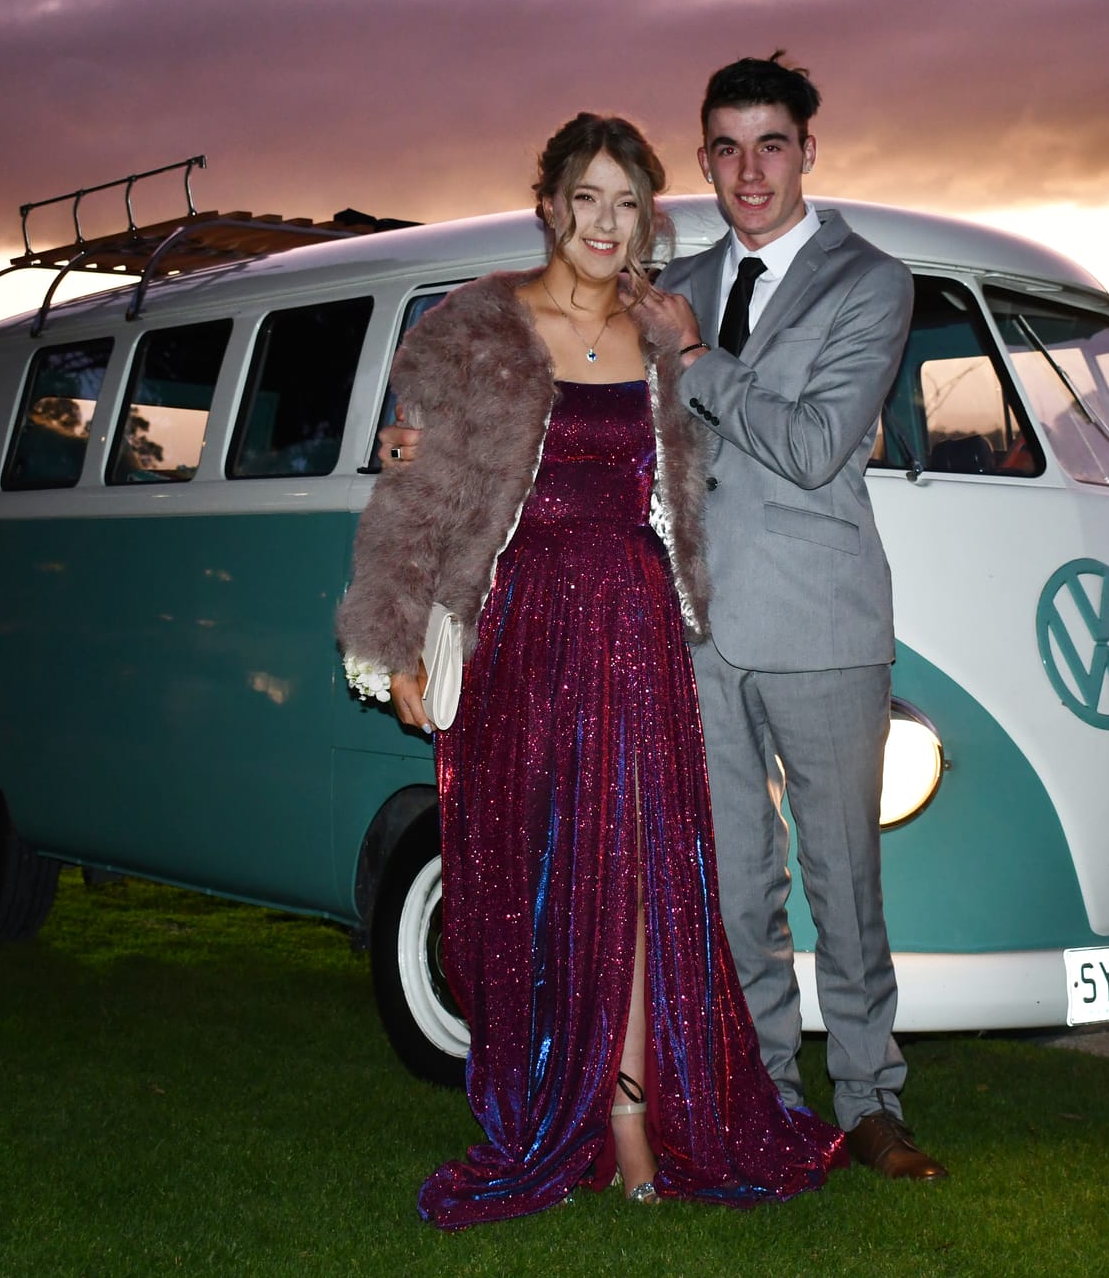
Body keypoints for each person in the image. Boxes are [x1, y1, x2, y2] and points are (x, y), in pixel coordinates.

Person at [337, 113, 845, 1230]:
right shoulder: (476, 326)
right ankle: (550, 1097)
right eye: (588, 200)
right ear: (551, 205)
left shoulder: (664, 335)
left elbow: (707, 483)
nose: (607, 225)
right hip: (524, 632)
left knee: (636, 878)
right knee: (538, 877)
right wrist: (398, 636)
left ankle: (627, 1109)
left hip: (639, 631)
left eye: (628, 204)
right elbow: (419, 492)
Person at [640, 53, 946, 1182]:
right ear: (705, 156)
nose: (747, 169)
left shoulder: (869, 281)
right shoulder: (675, 280)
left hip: (820, 626)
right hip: (700, 631)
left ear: (808, 148)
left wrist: (694, 359)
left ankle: (870, 1101)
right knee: (733, 889)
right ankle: (767, 1099)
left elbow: (819, 445)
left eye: (771, 142)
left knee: (842, 881)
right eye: (725, 146)